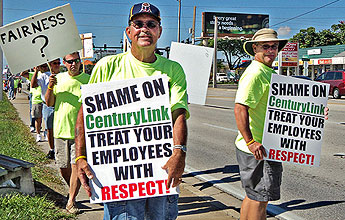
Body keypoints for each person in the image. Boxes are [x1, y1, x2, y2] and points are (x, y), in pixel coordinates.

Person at [75, 2, 189, 219]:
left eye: (151, 24)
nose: (144, 28)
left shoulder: (173, 69)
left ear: (159, 31)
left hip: (161, 173)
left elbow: (179, 115)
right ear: (129, 31)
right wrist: (80, 156)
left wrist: (179, 153)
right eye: (138, 23)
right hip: (119, 179)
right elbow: (85, 115)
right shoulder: (107, 66)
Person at [45, 52, 89, 214]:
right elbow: (49, 103)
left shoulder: (88, 80)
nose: (73, 64)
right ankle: (74, 189)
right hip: (60, 130)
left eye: (76, 61)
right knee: (63, 167)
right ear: (64, 62)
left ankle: (71, 200)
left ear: (80, 62)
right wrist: (50, 86)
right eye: (70, 61)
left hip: (80, 134)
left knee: (76, 167)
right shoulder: (58, 79)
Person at [31, 58, 61, 159]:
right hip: (48, 106)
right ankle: (52, 149)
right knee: (50, 129)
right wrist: (36, 71)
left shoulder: (62, 76)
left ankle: (60, 149)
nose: (57, 65)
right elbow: (33, 85)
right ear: (50, 65)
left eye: (58, 63)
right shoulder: (44, 76)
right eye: (54, 63)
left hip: (59, 105)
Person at [21, 69, 43, 133]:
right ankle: (32, 126)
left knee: (42, 114)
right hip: (34, 96)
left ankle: (39, 127)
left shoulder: (45, 74)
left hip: (43, 95)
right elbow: (22, 74)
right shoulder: (32, 74)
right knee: (33, 111)